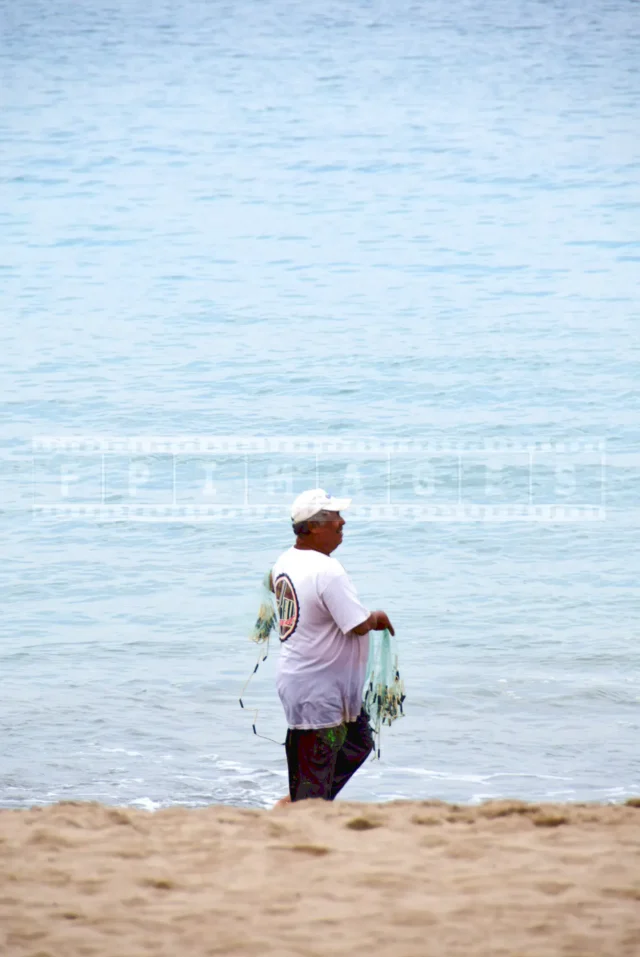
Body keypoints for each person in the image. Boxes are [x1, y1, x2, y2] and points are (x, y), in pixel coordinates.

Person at [270, 488, 394, 804]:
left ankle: (300, 800)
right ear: (312, 527)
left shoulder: (286, 560)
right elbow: (355, 623)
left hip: (309, 684)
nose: (342, 522)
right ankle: (302, 811)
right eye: (334, 517)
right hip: (317, 690)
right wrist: (377, 617)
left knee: (358, 742)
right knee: (315, 766)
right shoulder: (326, 569)